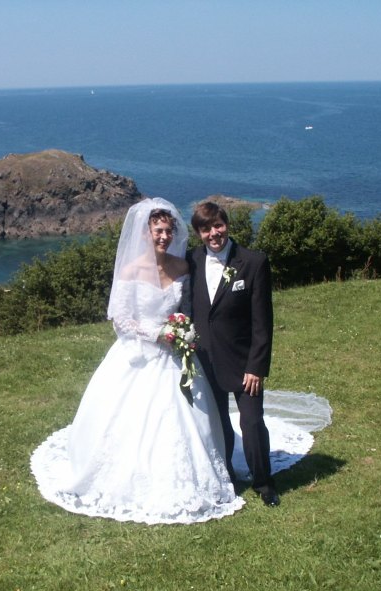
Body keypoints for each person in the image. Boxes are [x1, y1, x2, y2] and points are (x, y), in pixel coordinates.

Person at [31, 197, 245, 524]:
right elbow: (120, 319)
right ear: (146, 233)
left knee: (190, 415)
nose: (164, 237)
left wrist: (182, 330)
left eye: (168, 231)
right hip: (139, 355)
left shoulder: (182, 267)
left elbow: (188, 308)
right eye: (158, 231)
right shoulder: (131, 270)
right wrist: (158, 334)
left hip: (176, 355)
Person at [188, 201, 280, 507]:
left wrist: (257, 366)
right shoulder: (191, 261)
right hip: (205, 361)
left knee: (252, 423)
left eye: (218, 225)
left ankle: (263, 481)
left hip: (244, 363)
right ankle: (224, 472)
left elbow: (262, 323)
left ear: (227, 224)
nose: (214, 233)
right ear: (199, 233)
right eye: (206, 228)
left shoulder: (253, 262)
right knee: (218, 423)